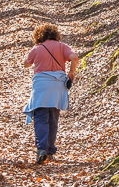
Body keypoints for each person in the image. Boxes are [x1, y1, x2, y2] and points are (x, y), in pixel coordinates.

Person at [22, 23, 79, 165]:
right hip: (58, 86)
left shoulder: (37, 48)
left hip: (41, 87)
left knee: (41, 118)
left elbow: (26, 64)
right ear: (55, 34)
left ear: (38, 36)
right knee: (53, 119)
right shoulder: (62, 46)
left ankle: (41, 150)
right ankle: (50, 152)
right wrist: (71, 73)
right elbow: (74, 57)